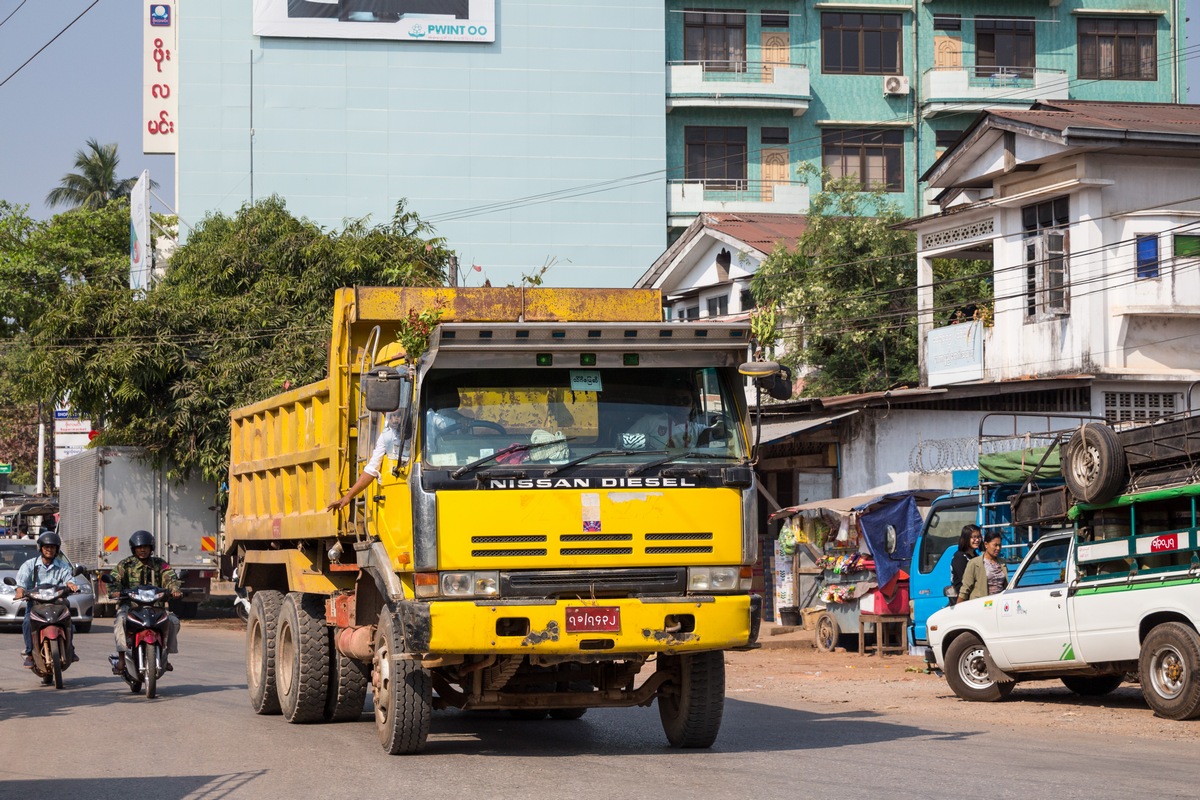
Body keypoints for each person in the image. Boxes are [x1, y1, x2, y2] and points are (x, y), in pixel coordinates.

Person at [107, 530, 182, 673]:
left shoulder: (160, 564)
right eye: (139, 547)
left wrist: (174, 589)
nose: (142, 550)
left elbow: (171, 578)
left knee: (173, 621)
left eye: (146, 547)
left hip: (156, 607)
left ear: (151, 548)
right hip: (131, 607)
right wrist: (115, 590)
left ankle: (165, 656)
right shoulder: (126, 565)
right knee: (120, 621)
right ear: (133, 549)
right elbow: (114, 580)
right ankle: (122, 659)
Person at [14, 531, 80, 668]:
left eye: (52, 547)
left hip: (57, 603)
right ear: (41, 548)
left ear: (57, 549)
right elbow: (21, 582)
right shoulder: (30, 565)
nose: (49, 550)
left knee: (68, 620)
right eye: (46, 547)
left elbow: (69, 579)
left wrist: (71, 585)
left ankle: (70, 649)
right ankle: (30, 654)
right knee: (27, 622)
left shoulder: (62, 565)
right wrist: (20, 591)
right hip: (36, 603)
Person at [624, 379, 708, 450]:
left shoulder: (697, 430)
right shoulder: (650, 422)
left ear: (693, 405)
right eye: (676, 400)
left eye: (685, 400)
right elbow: (625, 443)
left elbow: (716, 432)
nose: (680, 404)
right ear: (670, 402)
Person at [958, 530, 1008, 603]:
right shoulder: (975, 563)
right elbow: (965, 589)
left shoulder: (1002, 563)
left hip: (999, 604)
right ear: (986, 544)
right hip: (982, 605)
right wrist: (958, 608)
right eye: (995, 545)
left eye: (1000, 545)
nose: (998, 548)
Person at [949, 524, 982, 604]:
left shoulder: (977, 556)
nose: (977, 540)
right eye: (973, 537)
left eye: (978, 537)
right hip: (963, 601)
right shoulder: (959, 557)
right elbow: (965, 582)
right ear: (966, 538)